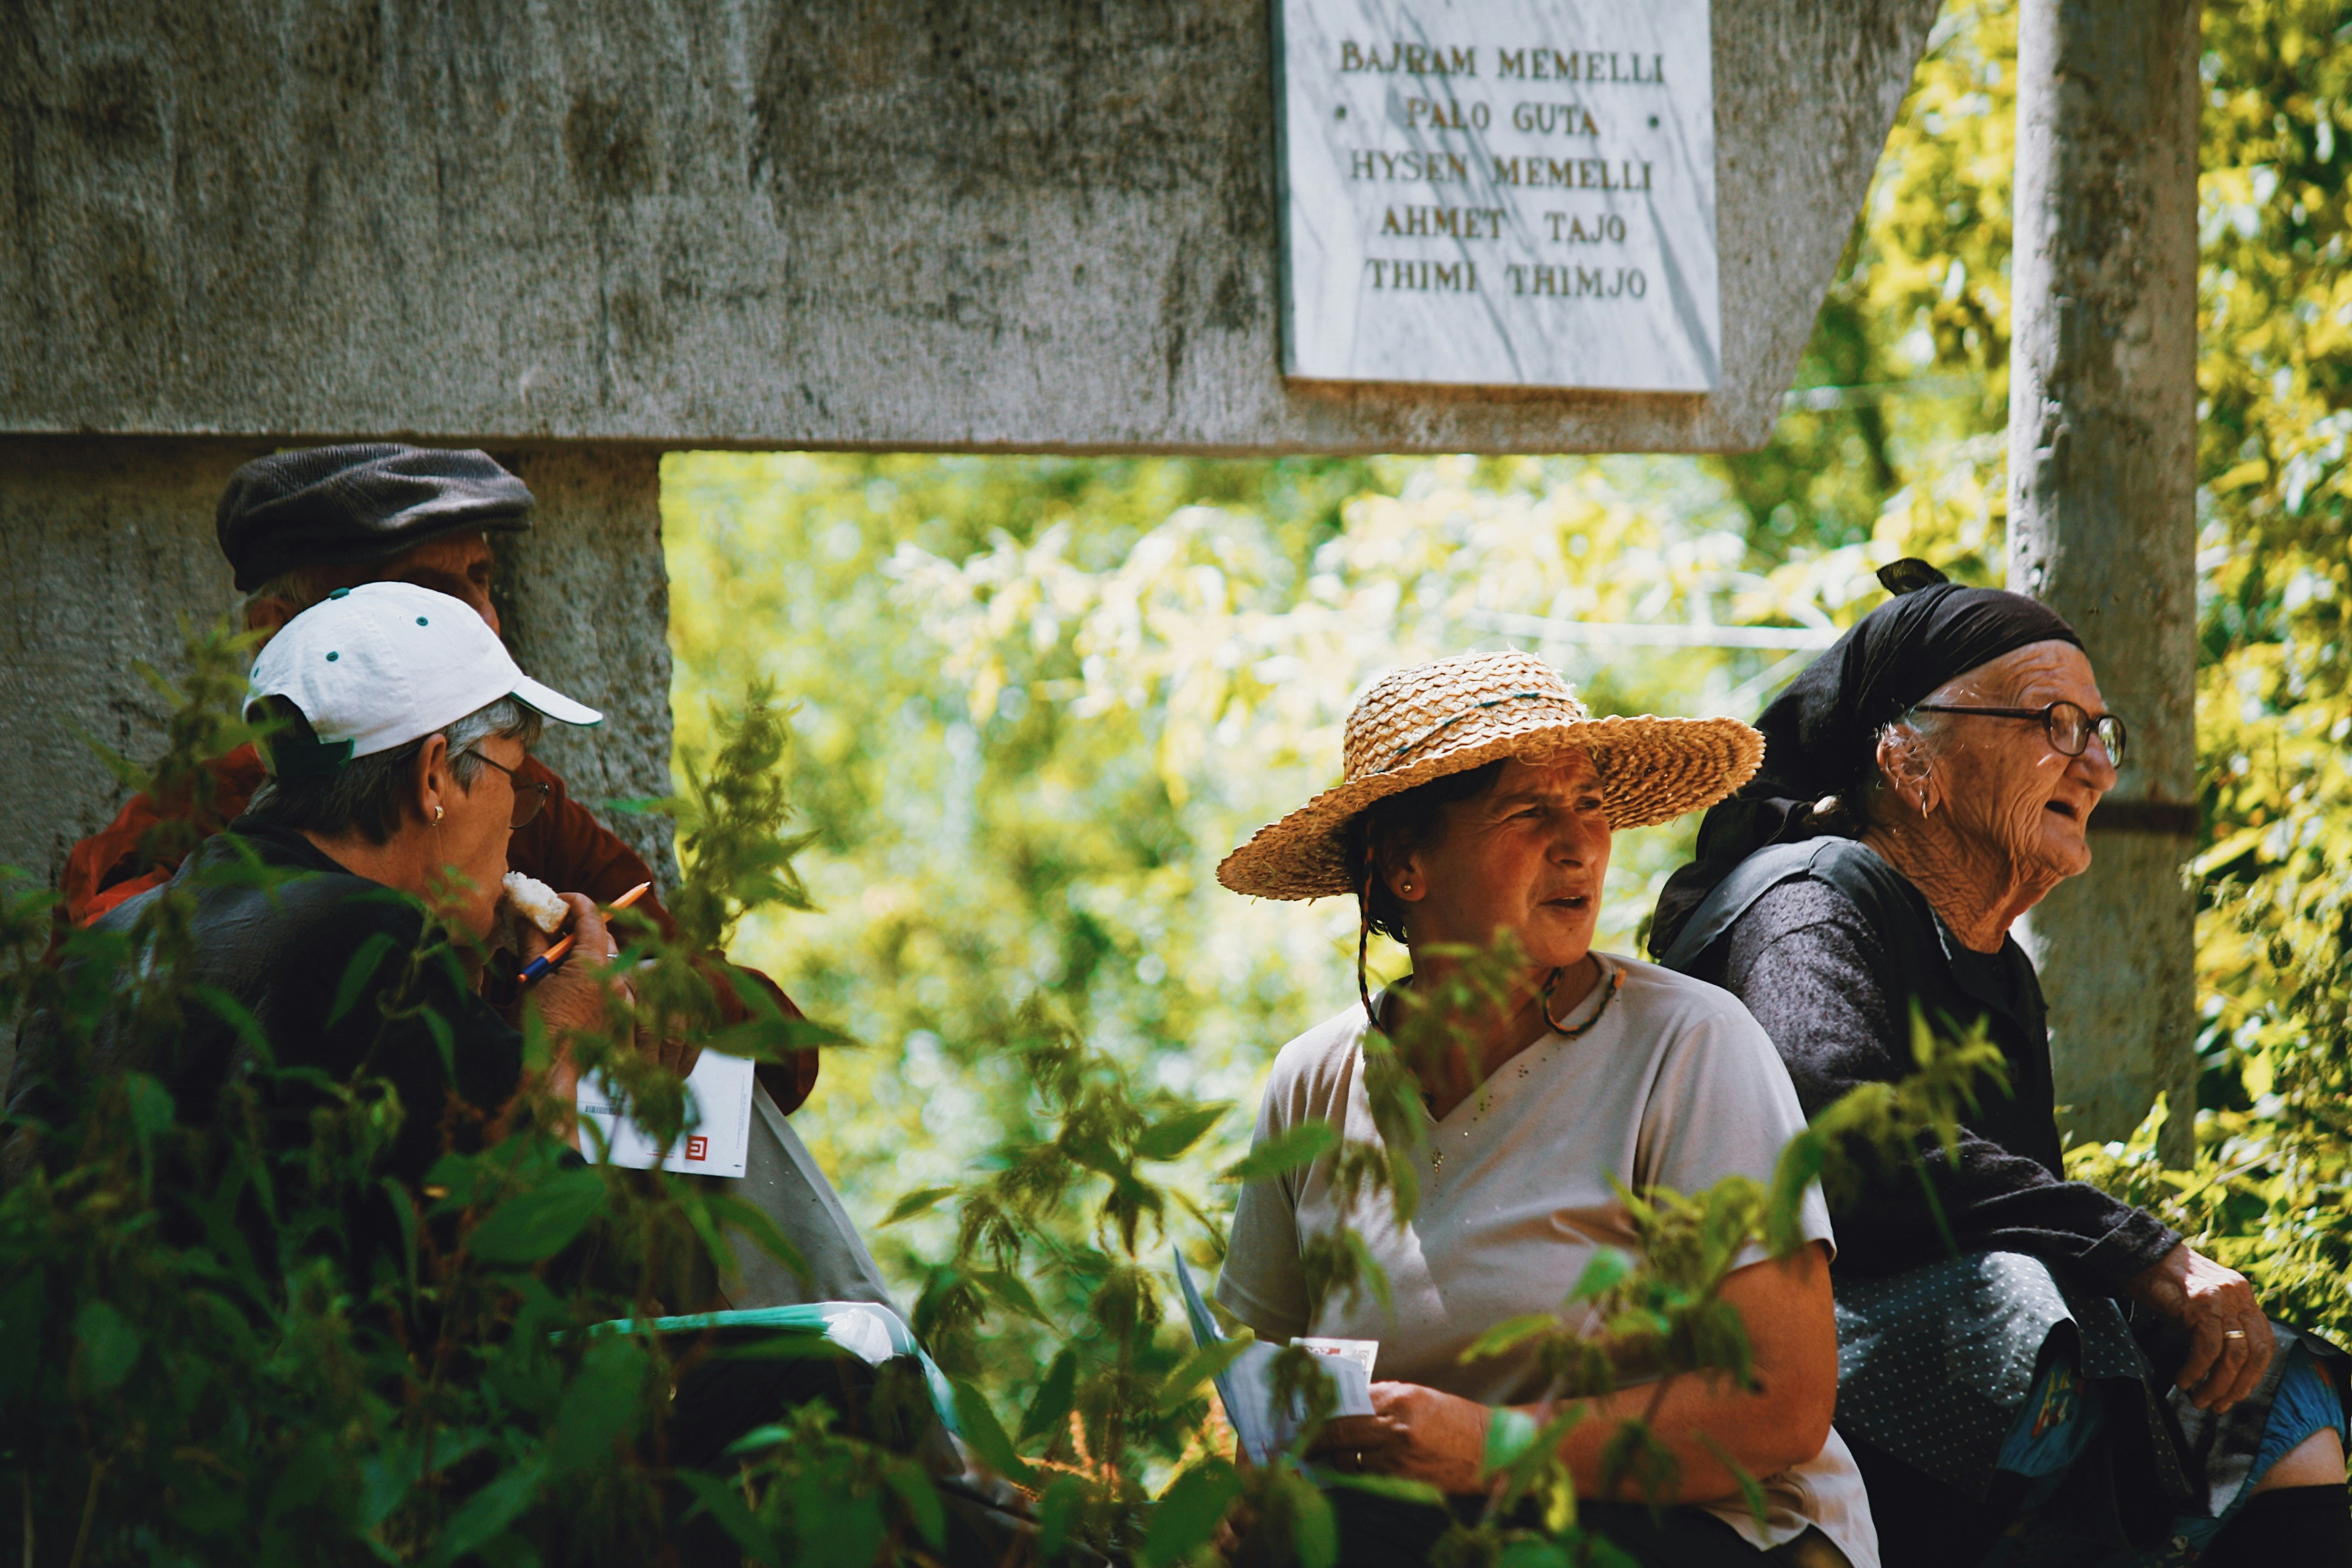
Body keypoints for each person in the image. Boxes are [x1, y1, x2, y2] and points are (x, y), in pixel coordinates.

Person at [1649, 561, 2352, 1566]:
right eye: (2051, 722)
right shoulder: (1807, 901)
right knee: (2026, 1315)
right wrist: (2141, 1248)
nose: (2094, 764)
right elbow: (1849, 1147)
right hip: (1783, 1342)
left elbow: (2006, 1197)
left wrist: (2129, 1261)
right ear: (1906, 760)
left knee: (2271, 1382)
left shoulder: (1994, 965)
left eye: (2098, 730)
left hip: (1952, 1338)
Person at [1212, 650, 1879, 1568]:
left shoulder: (1685, 1044)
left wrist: (1492, 1447)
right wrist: (1248, 1482)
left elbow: (1782, 1401)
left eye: (1592, 805)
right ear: (1407, 866)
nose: (1581, 845)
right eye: (1530, 812)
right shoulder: (1314, 1084)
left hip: (1724, 1536)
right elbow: (1257, 1385)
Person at [56, 442, 819, 1117]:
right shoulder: (183, 854)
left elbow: (783, 1048)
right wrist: (539, 1040)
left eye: (484, 581)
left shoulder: (514, 798)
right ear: (281, 632)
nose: (485, 624)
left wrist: (665, 1000)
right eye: (426, 601)